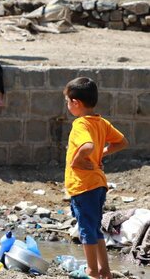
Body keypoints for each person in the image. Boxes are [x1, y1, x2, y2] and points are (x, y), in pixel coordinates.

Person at [63, 77, 129, 279]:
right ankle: (105, 271)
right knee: (95, 228)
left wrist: (77, 160)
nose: (67, 105)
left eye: (67, 101)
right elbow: (122, 142)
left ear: (76, 103)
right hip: (98, 185)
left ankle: (92, 271)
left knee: (86, 231)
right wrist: (102, 154)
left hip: (85, 186)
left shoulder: (80, 124)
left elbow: (88, 146)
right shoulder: (101, 122)